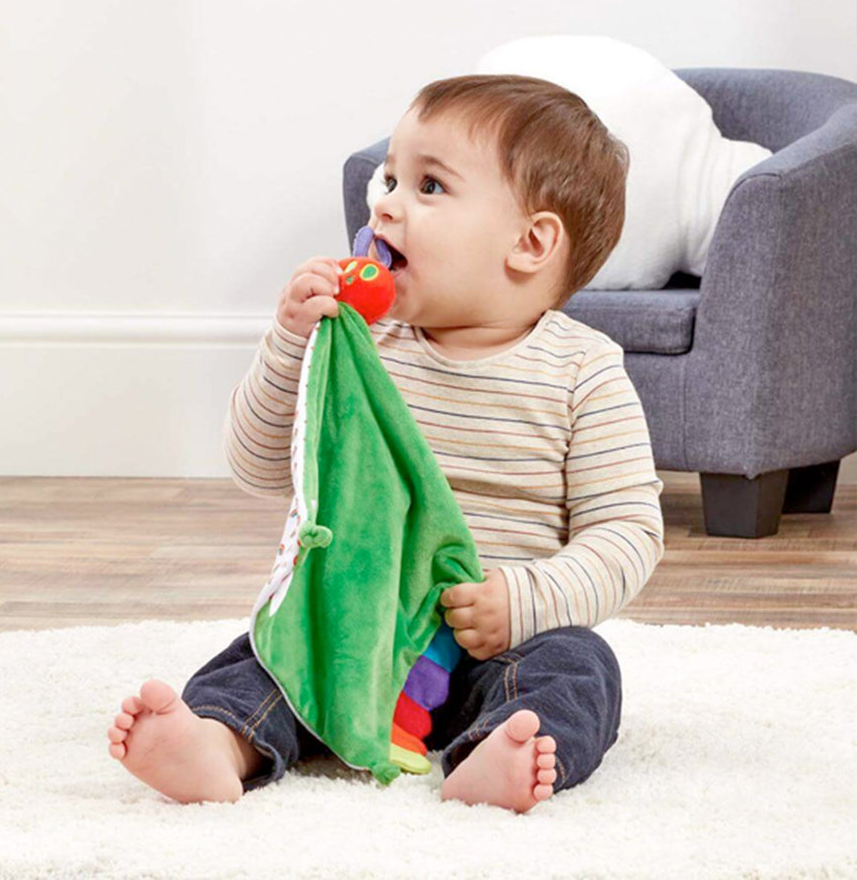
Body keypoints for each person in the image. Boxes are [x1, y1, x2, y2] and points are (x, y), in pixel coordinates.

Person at [107, 73, 665, 812]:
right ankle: (219, 741)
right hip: (352, 627)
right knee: (268, 653)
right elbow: (260, 465)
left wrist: (523, 600)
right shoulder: (361, 343)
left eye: (429, 186)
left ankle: (498, 753)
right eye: (391, 177)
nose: (386, 203)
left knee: (581, 669)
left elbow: (627, 531)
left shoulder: (581, 372)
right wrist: (290, 344)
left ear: (530, 243)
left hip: (491, 646)